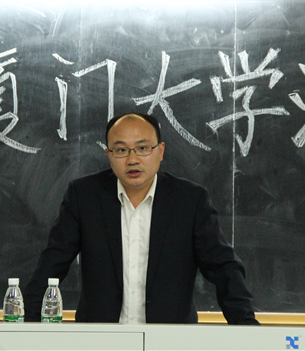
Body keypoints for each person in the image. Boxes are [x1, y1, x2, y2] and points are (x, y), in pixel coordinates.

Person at [23, 112, 259, 325]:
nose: (132, 159)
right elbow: (53, 263)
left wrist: (247, 329)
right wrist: (29, 325)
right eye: (121, 150)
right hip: (100, 339)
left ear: (160, 151)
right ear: (108, 154)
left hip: (171, 340)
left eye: (143, 148)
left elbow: (223, 268)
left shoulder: (190, 200)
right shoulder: (84, 196)